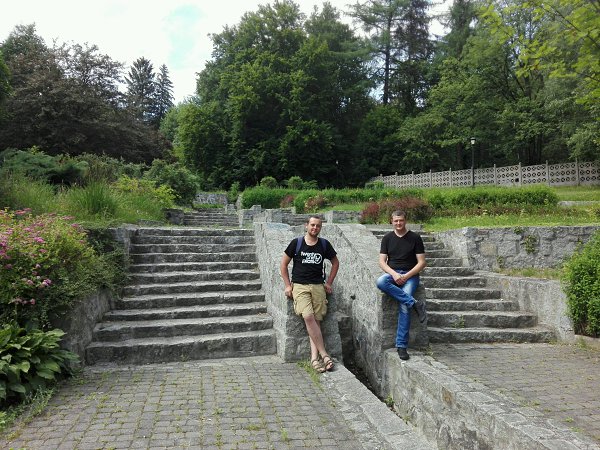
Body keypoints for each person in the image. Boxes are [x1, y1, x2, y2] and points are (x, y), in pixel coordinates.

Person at [280, 215, 339, 373]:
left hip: (318, 286)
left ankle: (314, 359)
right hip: (300, 286)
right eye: (312, 225)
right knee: (308, 317)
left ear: (320, 228)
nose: (315, 228)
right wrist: (287, 285)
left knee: (316, 321)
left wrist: (329, 283)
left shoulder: (324, 244)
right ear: (306, 225)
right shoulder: (297, 243)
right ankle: (324, 354)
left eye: (318, 226)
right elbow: (283, 264)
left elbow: (335, 263)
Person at [376, 210, 427, 361]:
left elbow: (422, 262)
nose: (398, 223)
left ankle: (401, 345)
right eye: (396, 221)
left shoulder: (415, 238)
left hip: (411, 276)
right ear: (391, 221)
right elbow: (381, 262)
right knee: (380, 282)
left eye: (401, 220)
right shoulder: (387, 238)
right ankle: (415, 304)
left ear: (405, 221)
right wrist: (394, 274)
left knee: (404, 306)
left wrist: (406, 276)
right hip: (393, 273)